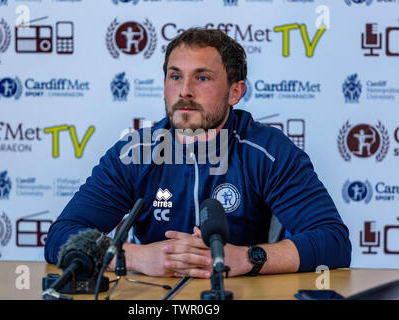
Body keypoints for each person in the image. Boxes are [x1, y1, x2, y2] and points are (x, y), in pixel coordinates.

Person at [45, 28, 351, 278]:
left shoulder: (268, 150)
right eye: (175, 76)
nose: (185, 91)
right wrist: (135, 257)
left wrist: (248, 258)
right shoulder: (134, 154)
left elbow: (332, 242)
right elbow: (62, 236)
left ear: (235, 91)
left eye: (202, 78)